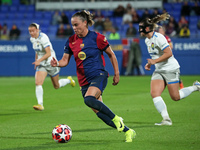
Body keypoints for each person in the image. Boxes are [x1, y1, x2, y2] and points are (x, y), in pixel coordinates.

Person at [51, 10, 136, 142]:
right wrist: (57, 63)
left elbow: (111, 54)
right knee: (101, 114)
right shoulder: (71, 41)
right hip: (84, 82)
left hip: (99, 75)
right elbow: (65, 61)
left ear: (85, 23)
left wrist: (117, 73)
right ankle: (128, 131)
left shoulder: (97, 37)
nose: (74, 28)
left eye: (76, 24)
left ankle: (116, 118)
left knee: (88, 99)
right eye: (72, 25)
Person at [139, 13, 200, 126]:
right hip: (159, 69)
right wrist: (151, 64)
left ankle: (196, 87)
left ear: (147, 28)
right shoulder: (147, 40)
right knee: (154, 93)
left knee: (175, 97)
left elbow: (169, 53)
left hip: (170, 69)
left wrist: (155, 62)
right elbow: (156, 56)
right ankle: (166, 119)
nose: (140, 29)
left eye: (141, 27)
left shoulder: (159, 38)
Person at [28, 23, 75, 111]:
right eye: (30, 31)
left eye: (33, 31)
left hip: (51, 63)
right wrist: (37, 61)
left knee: (56, 86)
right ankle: (40, 104)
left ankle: (69, 80)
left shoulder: (43, 38)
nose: (31, 33)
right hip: (42, 64)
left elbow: (48, 53)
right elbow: (37, 52)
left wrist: (39, 60)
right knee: (38, 82)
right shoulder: (32, 39)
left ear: (37, 30)